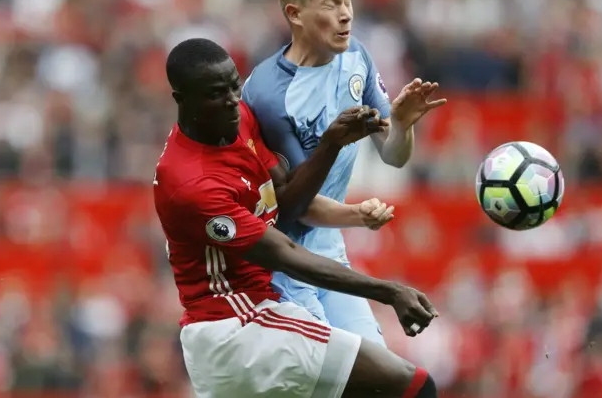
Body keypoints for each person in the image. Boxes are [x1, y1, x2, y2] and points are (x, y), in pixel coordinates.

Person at [154, 38, 439, 398]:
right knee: (412, 387)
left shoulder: (237, 121)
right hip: (236, 328)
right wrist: (389, 291)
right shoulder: (190, 183)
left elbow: (289, 198)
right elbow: (285, 253)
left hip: (246, 326)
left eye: (233, 85)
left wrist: (331, 144)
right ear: (182, 99)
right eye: (215, 94)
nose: (230, 100)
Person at [242, 0, 447, 346]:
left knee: (376, 370)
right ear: (295, 14)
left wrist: (401, 125)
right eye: (331, 3)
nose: (346, 13)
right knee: (326, 377)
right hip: (279, 258)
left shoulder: (356, 56)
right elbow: (294, 204)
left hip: (328, 250)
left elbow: (393, 154)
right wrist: (357, 214)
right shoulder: (270, 95)